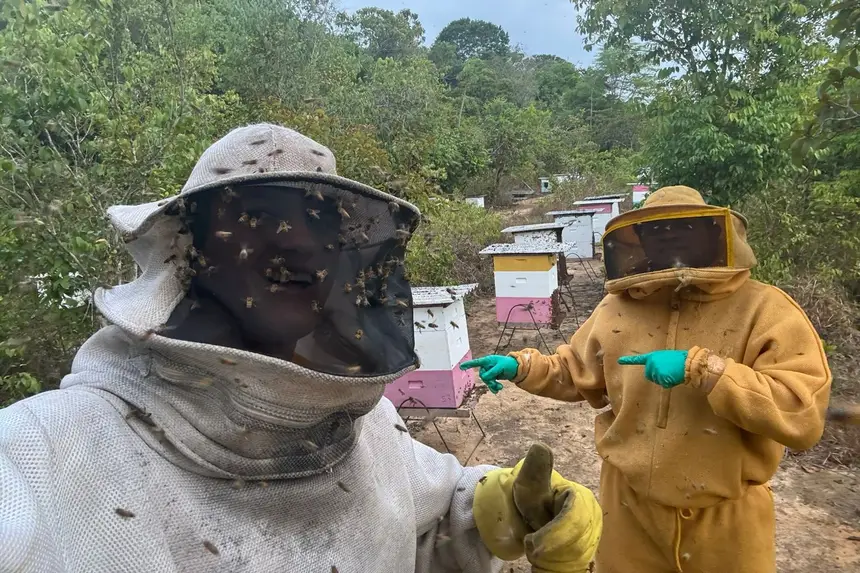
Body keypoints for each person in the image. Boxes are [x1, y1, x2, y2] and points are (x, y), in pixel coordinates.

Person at [0, 124, 602, 573]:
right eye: (260, 218)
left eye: (326, 227)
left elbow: (416, 527)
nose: (303, 249)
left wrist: (496, 508)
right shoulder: (42, 454)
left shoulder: (367, 420)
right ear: (190, 250)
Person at [463, 185, 832, 573]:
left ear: (711, 232)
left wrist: (705, 370)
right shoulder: (617, 307)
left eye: (682, 227)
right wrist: (522, 367)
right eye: (655, 231)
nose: (668, 238)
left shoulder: (766, 309)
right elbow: (575, 371)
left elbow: (801, 413)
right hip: (628, 509)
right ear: (639, 240)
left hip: (727, 520)